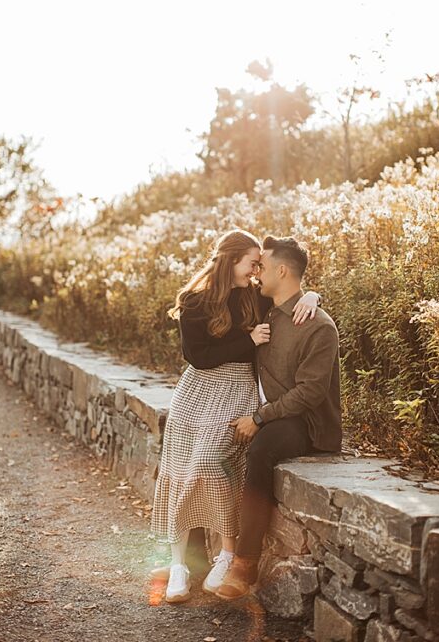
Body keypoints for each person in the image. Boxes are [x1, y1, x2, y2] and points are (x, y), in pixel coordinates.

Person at [150, 229, 318, 603]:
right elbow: (198, 355)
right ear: (231, 260)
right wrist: (248, 341)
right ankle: (179, 565)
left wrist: (312, 294)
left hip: (235, 390)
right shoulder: (192, 301)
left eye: (261, 264)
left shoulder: (251, 298)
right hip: (197, 389)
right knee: (179, 470)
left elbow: (288, 293)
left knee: (211, 464)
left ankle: (226, 555)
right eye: (252, 263)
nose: (257, 271)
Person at [214, 235, 342, 600]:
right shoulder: (263, 309)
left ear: (282, 271)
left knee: (261, 449)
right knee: (211, 449)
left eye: (264, 267)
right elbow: (215, 293)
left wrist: (259, 417)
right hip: (273, 415)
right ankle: (195, 558)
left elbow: (310, 394)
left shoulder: (318, 325)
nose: (257, 275)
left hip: (307, 423)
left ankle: (245, 564)